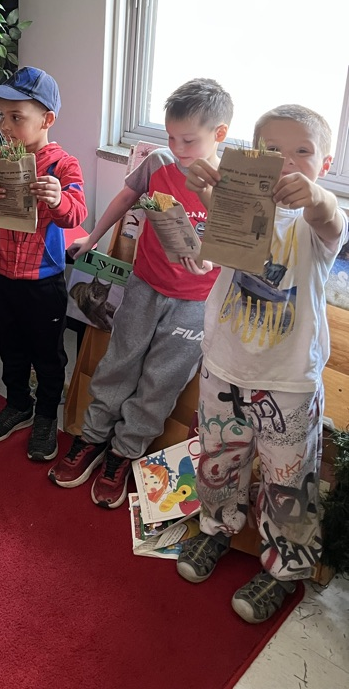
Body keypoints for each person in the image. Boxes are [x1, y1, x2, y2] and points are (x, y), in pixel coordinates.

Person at [176, 104, 347, 624]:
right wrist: (205, 187)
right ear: (254, 156)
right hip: (224, 366)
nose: (287, 162)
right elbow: (215, 246)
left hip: (288, 381)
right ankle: (215, 530)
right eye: (272, 151)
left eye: (302, 151)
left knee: (288, 480)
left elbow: (332, 221)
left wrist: (318, 197)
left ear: (326, 162)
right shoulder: (241, 203)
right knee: (218, 461)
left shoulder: (316, 223)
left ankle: (284, 567)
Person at [48, 78, 233, 505]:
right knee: (119, 361)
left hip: (195, 304)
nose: (177, 147)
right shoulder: (159, 163)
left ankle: (123, 452)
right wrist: (92, 238)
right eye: (171, 137)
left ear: (219, 133)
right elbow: (126, 198)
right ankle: (92, 438)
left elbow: (238, 249)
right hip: (144, 286)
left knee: (161, 382)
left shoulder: (230, 185)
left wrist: (210, 262)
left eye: (189, 139)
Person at [0, 66, 87, 462]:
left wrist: (58, 198)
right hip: (0, 274)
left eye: (16, 117)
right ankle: (18, 405)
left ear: (47, 120)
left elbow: (76, 213)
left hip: (43, 280)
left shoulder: (63, 165)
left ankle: (46, 416)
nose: (5, 125)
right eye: (2, 115)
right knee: (10, 347)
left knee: (48, 355)